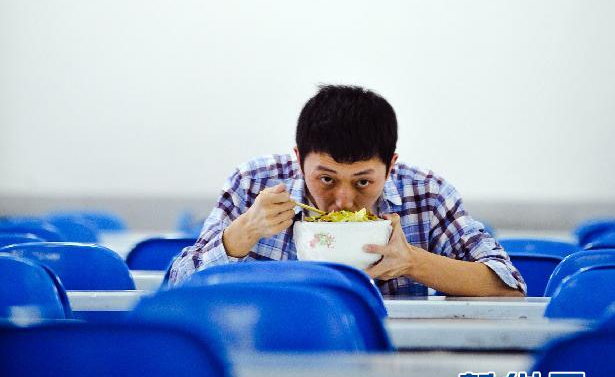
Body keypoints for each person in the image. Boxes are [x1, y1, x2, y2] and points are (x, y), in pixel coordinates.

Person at [168, 85, 526, 296]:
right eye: (326, 179)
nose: (343, 200)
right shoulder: (254, 183)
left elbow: (508, 287)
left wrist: (414, 262)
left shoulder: (426, 194)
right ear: (298, 159)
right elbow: (175, 288)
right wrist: (241, 235)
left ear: (391, 166)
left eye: (363, 182)